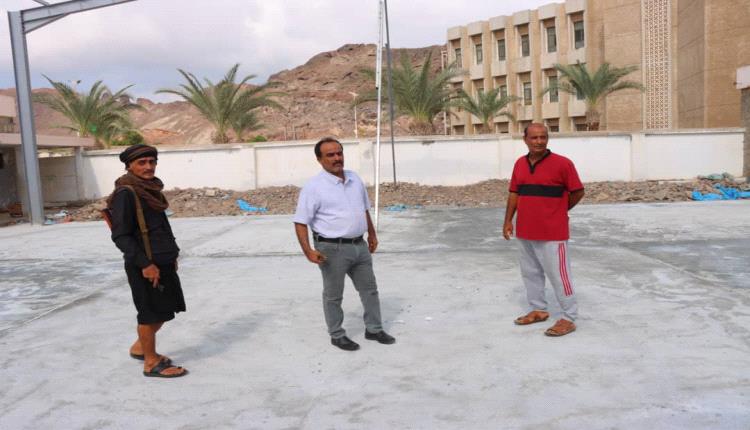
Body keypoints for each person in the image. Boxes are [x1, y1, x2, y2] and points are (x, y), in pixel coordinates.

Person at [294, 137, 396, 351]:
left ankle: (374, 329)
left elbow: (364, 209)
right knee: (333, 295)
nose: (336, 158)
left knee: (370, 290)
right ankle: (337, 334)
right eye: (330, 155)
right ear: (319, 159)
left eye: (339, 153)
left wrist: (372, 234)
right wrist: (308, 251)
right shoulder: (314, 187)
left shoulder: (354, 179)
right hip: (331, 249)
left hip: (359, 246)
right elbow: (301, 222)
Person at [107, 144, 188, 377]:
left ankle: (140, 348)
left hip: (163, 260)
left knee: (166, 309)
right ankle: (151, 363)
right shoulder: (126, 193)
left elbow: (160, 227)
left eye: (152, 162)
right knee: (150, 313)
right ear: (129, 166)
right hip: (145, 265)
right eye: (141, 163)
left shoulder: (151, 190)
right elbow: (121, 236)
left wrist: (172, 254)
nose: (148, 167)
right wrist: (145, 264)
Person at [503, 123, 585, 337]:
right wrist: (508, 220)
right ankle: (538, 309)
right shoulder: (520, 164)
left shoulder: (563, 164)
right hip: (525, 230)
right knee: (530, 273)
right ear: (525, 140)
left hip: (553, 232)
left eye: (543, 137)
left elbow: (578, 192)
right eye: (534, 137)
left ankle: (569, 317)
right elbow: (514, 193)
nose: (539, 141)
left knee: (560, 276)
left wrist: (559, 209)